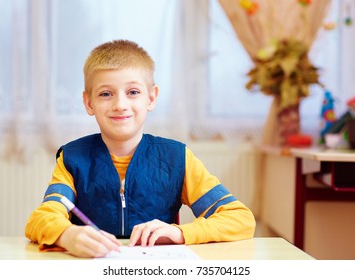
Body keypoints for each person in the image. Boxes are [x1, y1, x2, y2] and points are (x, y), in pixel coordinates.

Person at [25, 39, 256, 258]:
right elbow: (40, 219)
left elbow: (240, 218)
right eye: (106, 94)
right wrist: (67, 235)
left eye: (133, 92)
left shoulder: (177, 158)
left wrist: (181, 233)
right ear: (88, 102)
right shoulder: (73, 158)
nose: (120, 104)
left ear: (151, 98)